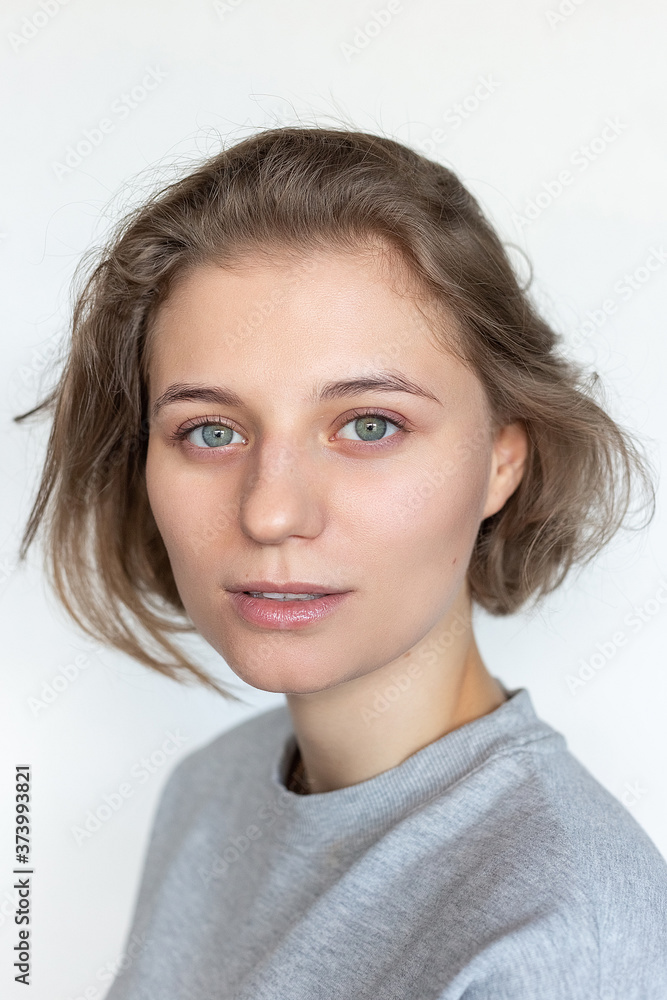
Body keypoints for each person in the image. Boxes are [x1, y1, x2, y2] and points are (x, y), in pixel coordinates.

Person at [15, 125, 667, 998]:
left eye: (369, 425)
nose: (271, 509)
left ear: (501, 461)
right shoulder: (209, 796)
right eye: (211, 431)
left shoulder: (565, 933)